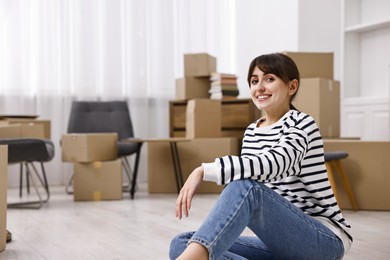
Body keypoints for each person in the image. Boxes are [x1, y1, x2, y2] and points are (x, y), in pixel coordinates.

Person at [169, 52, 352, 260]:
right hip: (278, 242)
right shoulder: (251, 132)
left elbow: (276, 164)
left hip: (321, 241)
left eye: (270, 79)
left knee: (245, 188)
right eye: (255, 81)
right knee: (183, 243)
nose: (260, 87)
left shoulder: (302, 123)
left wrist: (203, 170)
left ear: (292, 87)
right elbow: (248, 179)